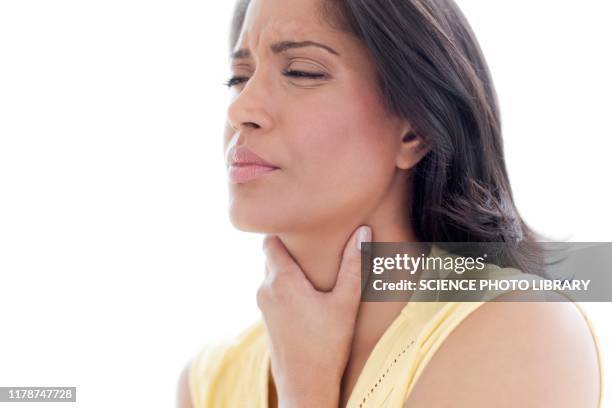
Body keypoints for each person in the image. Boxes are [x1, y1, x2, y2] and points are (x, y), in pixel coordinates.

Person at [178, 0, 603, 406]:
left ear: (413, 131)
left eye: (302, 72)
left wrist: (305, 391)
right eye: (239, 78)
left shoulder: (523, 330)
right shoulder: (209, 381)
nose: (242, 109)